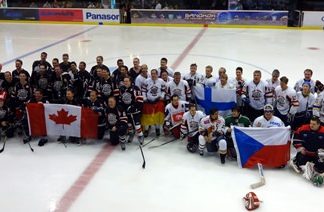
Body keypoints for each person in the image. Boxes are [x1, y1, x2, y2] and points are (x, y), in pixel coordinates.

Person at [291, 117, 324, 183]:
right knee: (300, 162)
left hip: (318, 154)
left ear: (319, 124)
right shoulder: (302, 128)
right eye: (310, 123)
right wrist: (300, 148)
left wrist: (323, 151)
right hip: (305, 153)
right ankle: (296, 160)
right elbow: (295, 139)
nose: (311, 125)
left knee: (320, 168)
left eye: (314, 124)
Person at [118, 77, 144, 144]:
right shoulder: (122, 89)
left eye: (127, 81)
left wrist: (133, 107)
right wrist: (121, 106)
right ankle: (131, 134)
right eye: (124, 81)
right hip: (126, 111)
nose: (125, 83)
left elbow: (140, 99)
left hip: (135, 111)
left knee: (137, 125)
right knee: (129, 124)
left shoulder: (135, 88)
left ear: (130, 81)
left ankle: (140, 135)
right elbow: (120, 99)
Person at [141, 69, 166, 137]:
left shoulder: (161, 81)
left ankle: (157, 128)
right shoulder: (146, 81)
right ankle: (146, 130)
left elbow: (164, 90)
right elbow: (143, 90)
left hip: (158, 101)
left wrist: (162, 96)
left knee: (157, 115)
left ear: (157, 74)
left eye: (154, 73)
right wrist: (144, 98)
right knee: (147, 116)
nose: (153, 75)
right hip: (148, 101)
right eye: (152, 73)